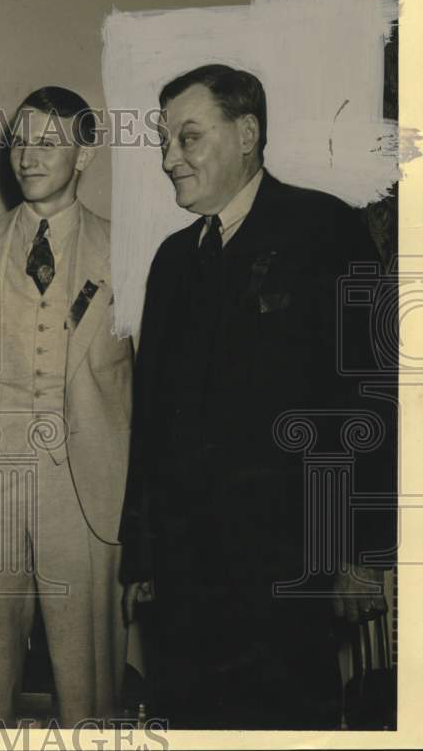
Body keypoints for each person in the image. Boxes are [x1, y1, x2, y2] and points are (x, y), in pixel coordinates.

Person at [120, 64, 397, 728]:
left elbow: (366, 398)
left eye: (188, 138)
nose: (168, 160)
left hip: (292, 571)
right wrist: (142, 553)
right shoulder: (170, 259)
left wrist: (357, 551)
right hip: (186, 580)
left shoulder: (324, 228)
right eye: (163, 141)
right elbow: (149, 422)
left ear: (246, 133)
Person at [0, 87, 133, 726]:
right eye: (20, 140)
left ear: (86, 152)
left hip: (89, 488)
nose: (27, 155)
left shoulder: (129, 248)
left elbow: (159, 384)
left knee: (89, 686)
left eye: (48, 141)